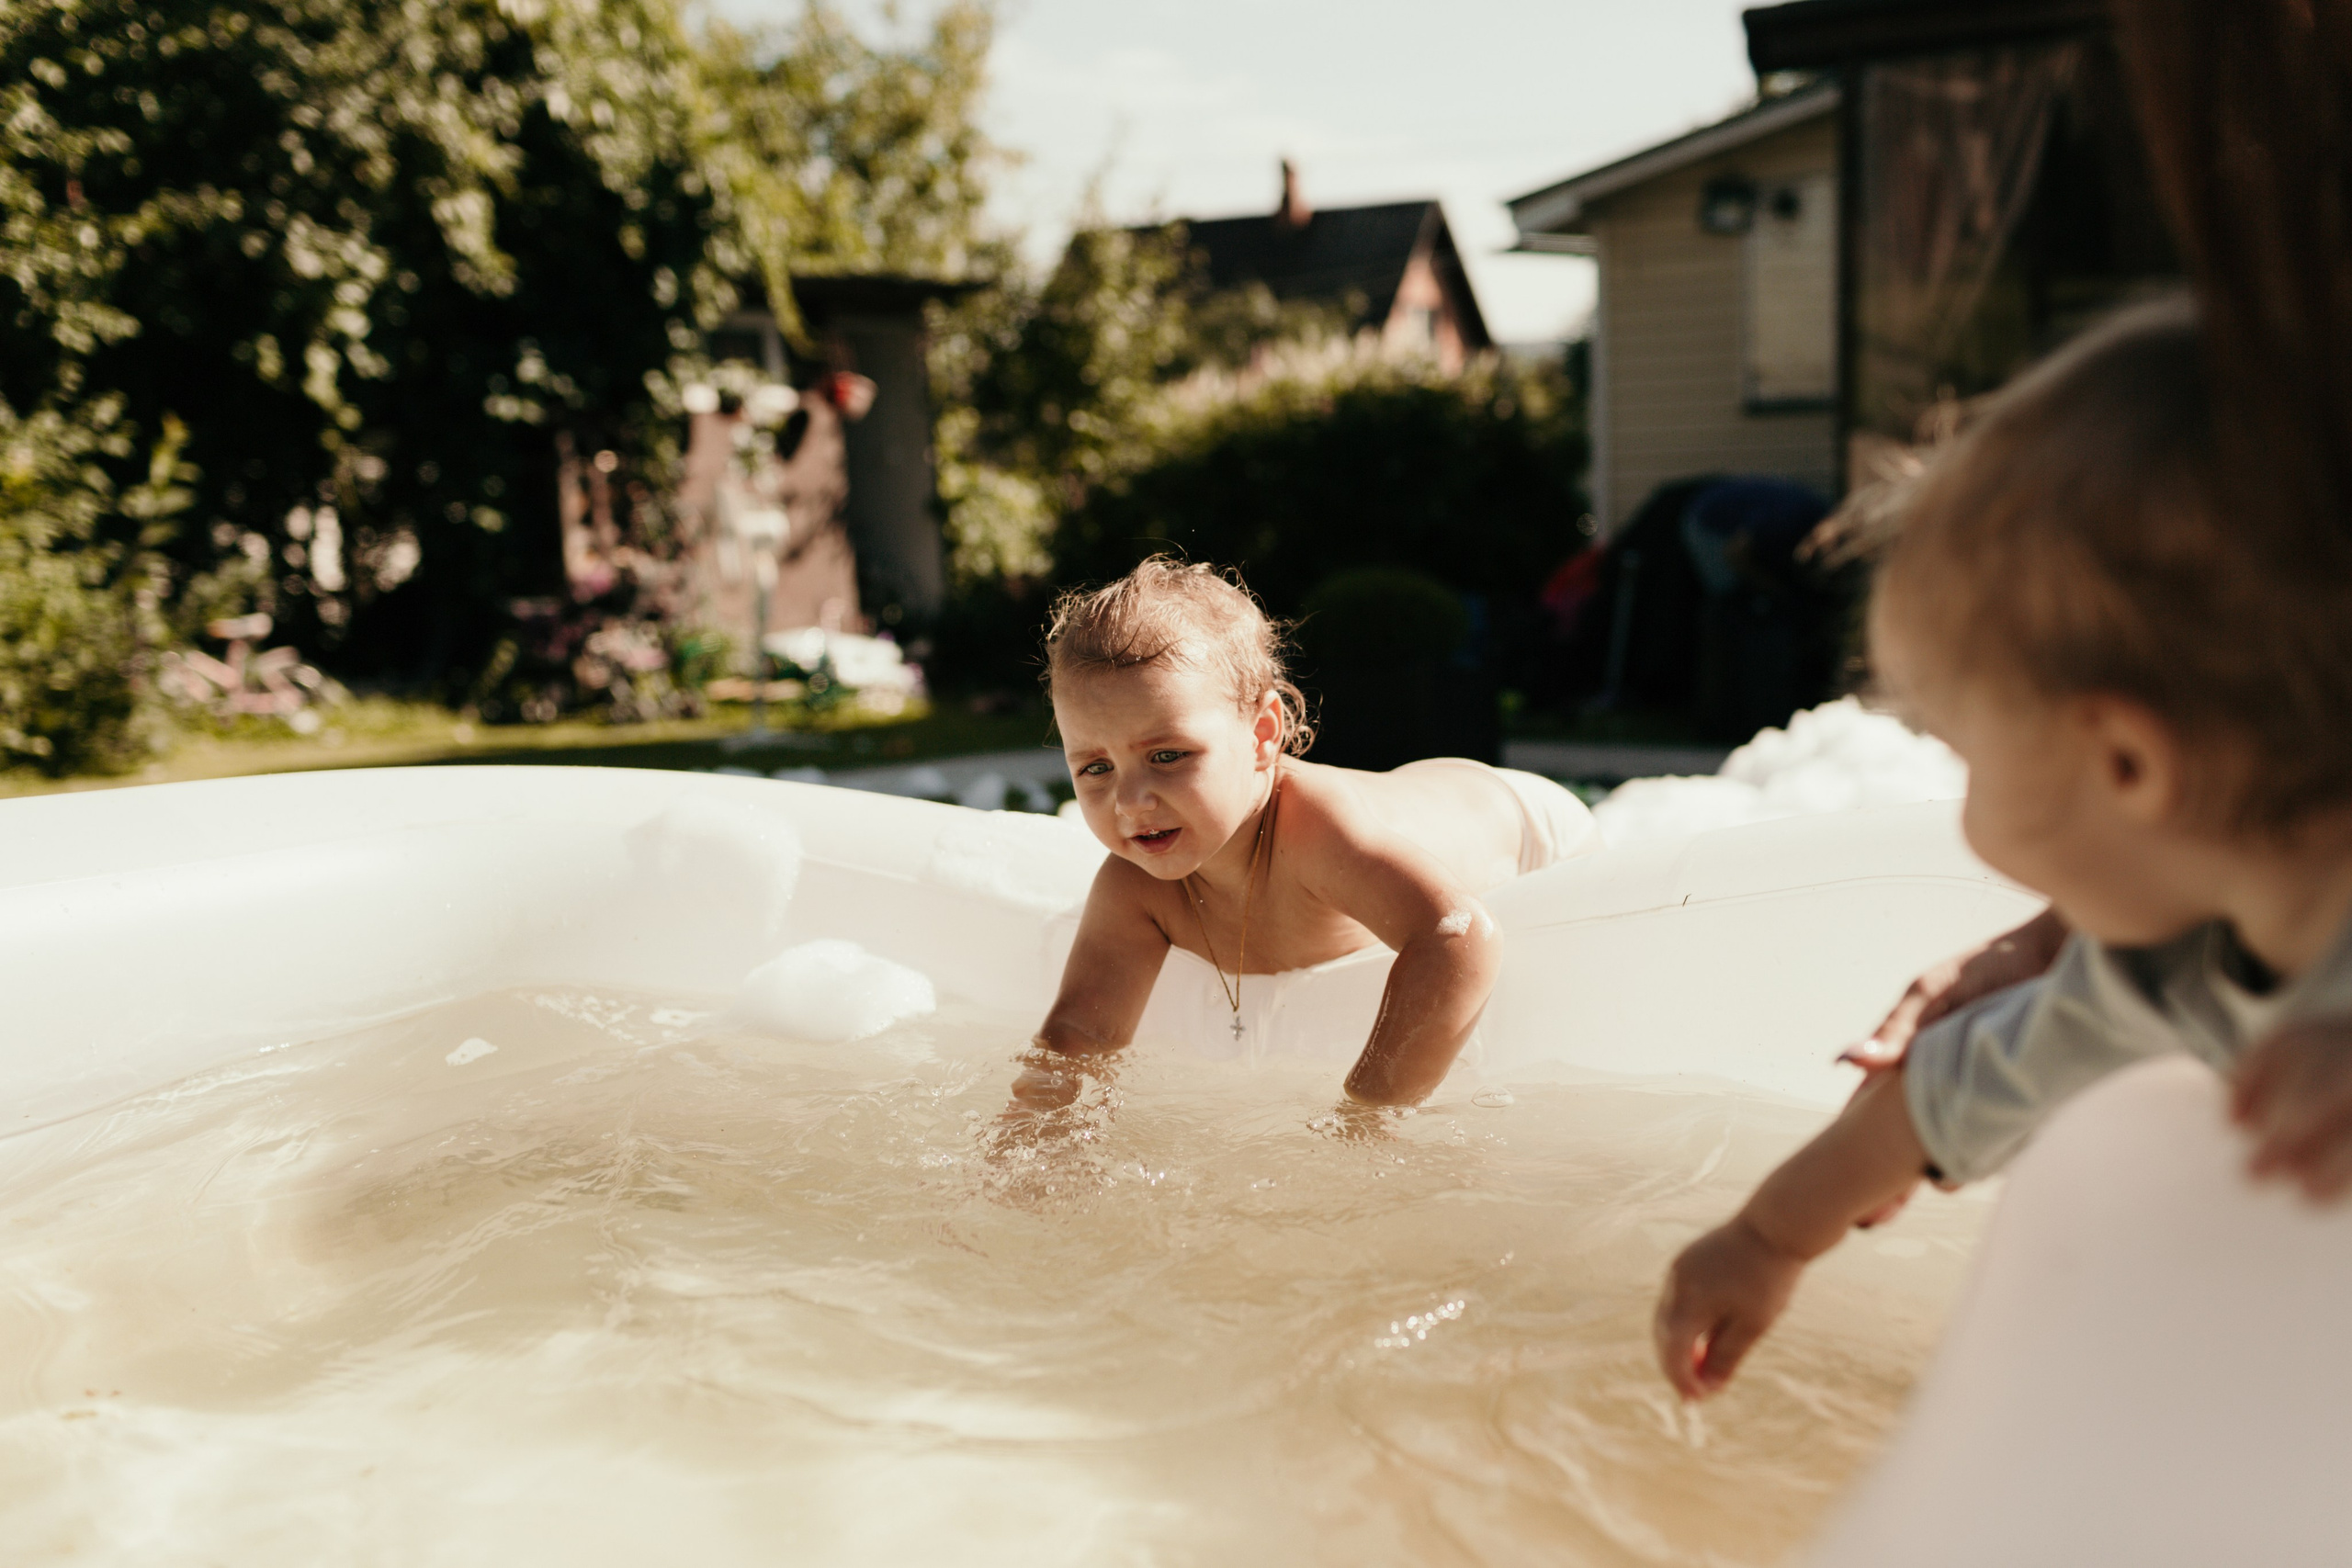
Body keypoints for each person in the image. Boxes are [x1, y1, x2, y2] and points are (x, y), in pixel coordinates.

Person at [1652, 297, 2352, 1401]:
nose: (1957, 802)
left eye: (1963, 752)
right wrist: (1765, 1240)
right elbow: (1936, 1095)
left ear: (2126, 765)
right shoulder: (2152, 970)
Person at [1016, 558, 1600, 1111]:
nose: (1130, 801)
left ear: (1262, 734)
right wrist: (1030, 1142)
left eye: (1167, 755)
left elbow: (1458, 936)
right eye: (1095, 768)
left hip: (1522, 818)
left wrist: (1366, 1113)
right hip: (1411, 793)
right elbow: (1078, 1032)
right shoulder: (1134, 885)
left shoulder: (1313, 831)